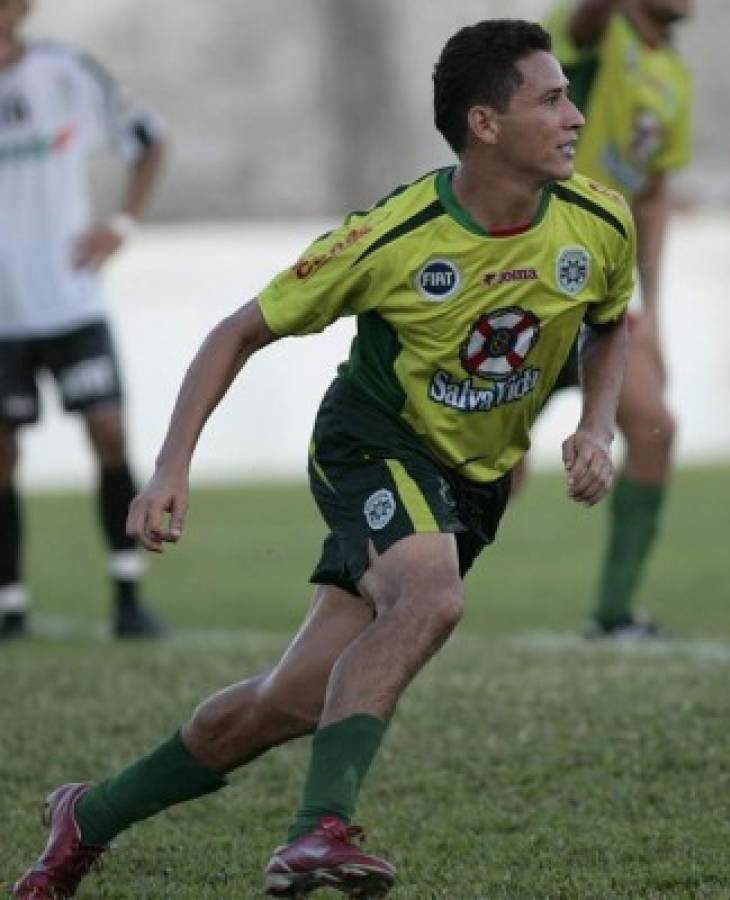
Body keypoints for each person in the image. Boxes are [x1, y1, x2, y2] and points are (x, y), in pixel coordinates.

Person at [12, 18, 635, 899]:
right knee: (430, 596)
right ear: (485, 125)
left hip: (474, 481)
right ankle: (318, 834)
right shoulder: (394, 234)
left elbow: (611, 320)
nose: (573, 116)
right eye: (551, 98)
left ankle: (92, 814)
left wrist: (593, 428)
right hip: (371, 440)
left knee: (292, 701)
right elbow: (238, 331)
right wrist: (170, 467)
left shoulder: (598, 220)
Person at [0, 0, 166, 638]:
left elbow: (149, 139)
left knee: (107, 432)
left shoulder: (65, 72)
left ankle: (128, 595)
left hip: (71, 303)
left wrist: (120, 224)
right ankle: (10, 607)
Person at [540, 0, 693, 637]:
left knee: (654, 426)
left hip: (603, 290)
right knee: (493, 468)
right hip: (536, 276)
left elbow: (652, 197)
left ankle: (611, 614)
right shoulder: (598, 32)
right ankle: (395, 597)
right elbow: (582, 24)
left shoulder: (676, 77)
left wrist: (653, 313)